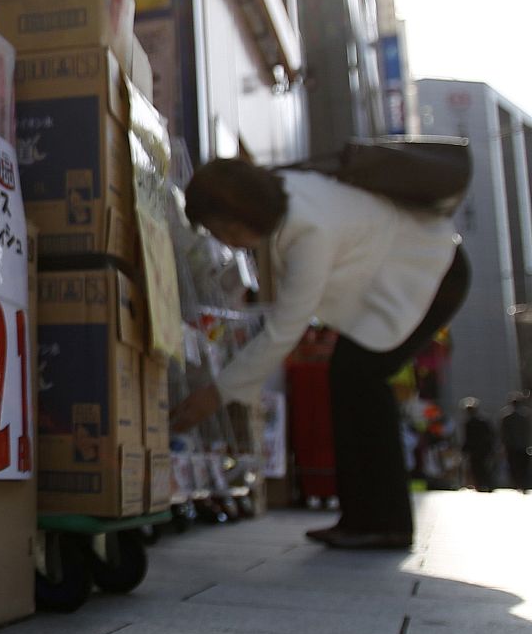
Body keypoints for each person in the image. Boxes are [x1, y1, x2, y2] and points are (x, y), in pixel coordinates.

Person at [170, 157, 467, 550]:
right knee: (352, 377)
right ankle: (367, 519)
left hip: (431, 273)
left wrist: (215, 394)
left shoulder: (309, 232)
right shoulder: (288, 193)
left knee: (360, 378)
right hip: (419, 268)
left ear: (239, 218)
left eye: (220, 229)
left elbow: (284, 330)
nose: (223, 240)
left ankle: (383, 522)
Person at [462, 399, 498, 491]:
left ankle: (481, 484)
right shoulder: (483, 420)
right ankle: (486, 484)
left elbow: (468, 438)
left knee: (478, 467)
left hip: (476, 450)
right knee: (483, 467)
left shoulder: (470, 422)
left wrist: (464, 449)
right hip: (483, 449)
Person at [501, 392, 532, 493]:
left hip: (512, 446)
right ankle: (523, 483)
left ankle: (516, 483)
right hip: (523, 446)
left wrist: (504, 445)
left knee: (514, 466)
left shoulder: (507, 416)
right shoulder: (526, 415)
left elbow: (503, 432)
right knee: (523, 466)